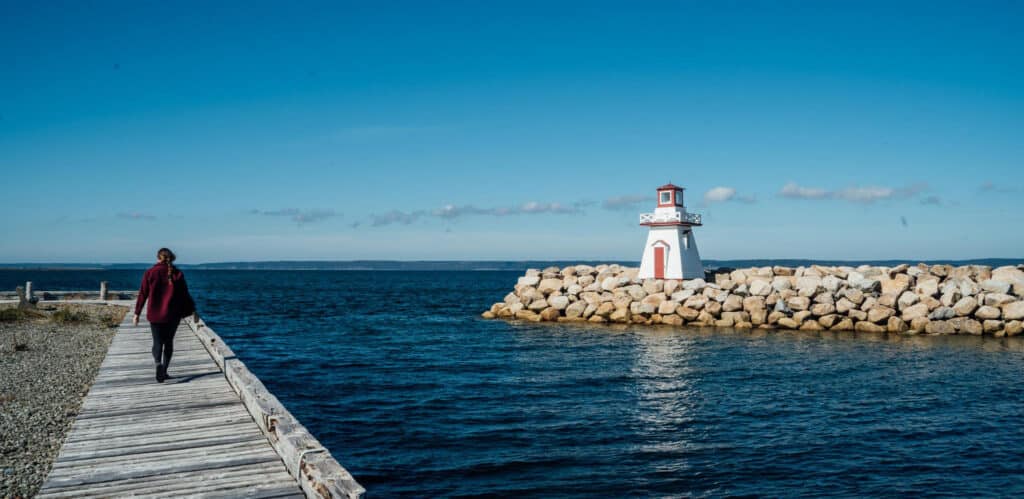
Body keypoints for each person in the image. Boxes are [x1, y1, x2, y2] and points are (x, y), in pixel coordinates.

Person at [133, 248, 197, 383]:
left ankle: (158, 364)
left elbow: (143, 294)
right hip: (173, 315)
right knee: (168, 343)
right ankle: (165, 371)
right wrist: (193, 311)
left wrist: (137, 313)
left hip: (154, 314)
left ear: (158, 258)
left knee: (157, 342)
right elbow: (185, 295)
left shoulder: (150, 272)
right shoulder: (178, 274)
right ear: (172, 258)